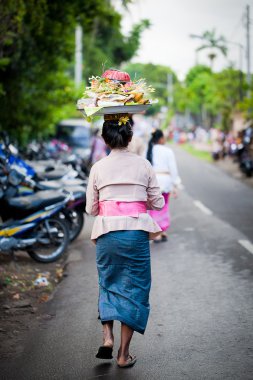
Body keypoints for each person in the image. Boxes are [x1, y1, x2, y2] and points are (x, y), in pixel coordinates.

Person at [86, 114, 164, 368]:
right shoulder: (143, 165)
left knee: (108, 282)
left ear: (105, 139)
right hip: (135, 234)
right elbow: (158, 202)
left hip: (107, 232)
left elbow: (91, 209)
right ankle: (122, 355)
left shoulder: (98, 167)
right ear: (130, 137)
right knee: (135, 289)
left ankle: (107, 336)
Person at [147, 129, 180, 243]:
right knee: (163, 206)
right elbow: (173, 169)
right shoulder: (168, 151)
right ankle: (160, 232)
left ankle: (157, 232)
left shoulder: (148, 150)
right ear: (161, 139)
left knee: (153, 208)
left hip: (152, 182)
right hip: (165, 182)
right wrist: (176, 184)